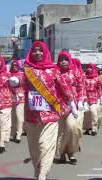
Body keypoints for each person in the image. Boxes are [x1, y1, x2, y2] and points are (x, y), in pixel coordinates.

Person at [24, 41, 75, 180]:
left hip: (50, 115)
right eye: (35, 50)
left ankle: (42, 176)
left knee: (45, 146)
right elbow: (21, 88)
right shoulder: (27, 70)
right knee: (35, 150)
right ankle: (39, 172)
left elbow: (64, 88)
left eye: (41, 50)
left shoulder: (54, 70)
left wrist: (73, 103)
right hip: (31, 116)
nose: (38, 53)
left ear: (45, 52)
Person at [55, 51, 85, 165]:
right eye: (61, 59)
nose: (63, 62)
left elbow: (81, 87)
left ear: (69, 60)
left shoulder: (76, 72)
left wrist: (81, 100)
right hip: (59, 105)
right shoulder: (55, 73)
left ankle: (71, 152)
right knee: (61, 131)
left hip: (74, 106)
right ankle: (62, 153)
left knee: (72, 128)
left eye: (65, 59)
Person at [83, 64, 102, 136]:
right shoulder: (83, 77)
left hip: (95, 97)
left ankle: (94, 128)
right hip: (85, 97)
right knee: (86, 113)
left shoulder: (98, 78)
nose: (88, 69)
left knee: (93, 112)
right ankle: (87, 128)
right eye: (87, 68)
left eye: (90, 68)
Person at [9, 60, 26, 143]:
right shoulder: (8, 74)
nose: (14, 66)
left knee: (19, 117)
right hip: (10, 98)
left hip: (20, 98)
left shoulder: (22, 75)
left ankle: (19, 134)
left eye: (16, 65)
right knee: (13, 117)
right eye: (13, 65)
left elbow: (26, 85)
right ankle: (14, 133)